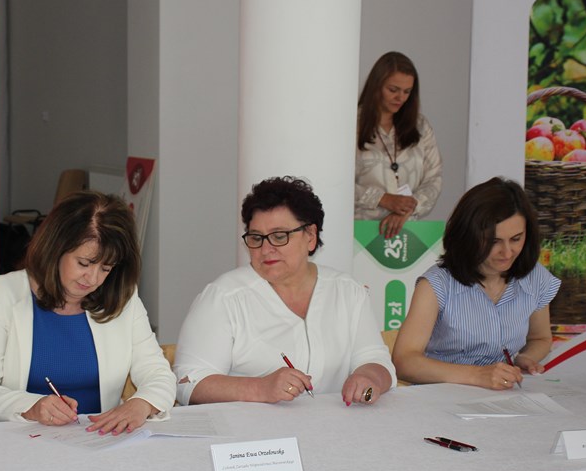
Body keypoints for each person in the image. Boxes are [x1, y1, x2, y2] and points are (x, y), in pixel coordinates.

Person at [0, 191, 175, 433]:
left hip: (98, 439)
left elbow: (158, 373)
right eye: (84, 263)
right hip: (19, 440)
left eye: (106, 268)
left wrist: (141, 404)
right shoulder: (4, 293)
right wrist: (31, 406)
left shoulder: (122, 296)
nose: (92, 279)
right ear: (56, 249)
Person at [174, 176, 395, 406]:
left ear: (311, 236)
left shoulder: (348, 291)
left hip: (336, 424)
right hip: (249, 428)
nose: (266, 249)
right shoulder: (223, 298)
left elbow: (376, 360)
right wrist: (260, 389)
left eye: (279, 236)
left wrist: (369, 378)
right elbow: (187, 383)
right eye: (256, 238)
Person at [393, 177, 561, 389]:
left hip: (502, 395)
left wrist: (525, 358)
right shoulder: (436, 285)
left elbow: (540, 338)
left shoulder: (535, 277)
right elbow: (404, 361)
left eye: (516, 239)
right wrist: (477, 375)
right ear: (468, 236)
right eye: (494, 242)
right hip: (441, 397)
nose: (507, 252)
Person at [355, 51, 443, 238]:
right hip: (359, 233)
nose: (400, 98)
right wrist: (381, 199)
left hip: (408, 233)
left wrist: (407, 209)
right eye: (393, 90)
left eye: (407, 92)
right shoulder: (351, 124)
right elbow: (335, 183)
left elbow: (434, 179)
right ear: (376, 86)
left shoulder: (421, 126)